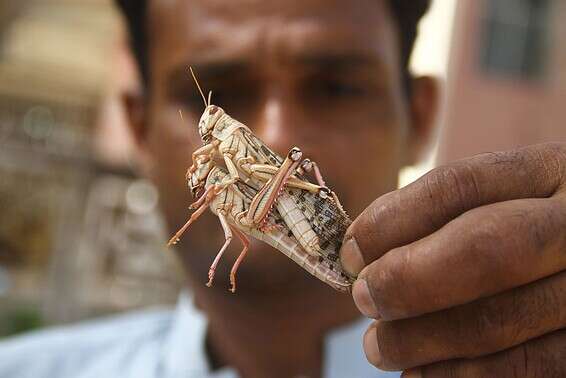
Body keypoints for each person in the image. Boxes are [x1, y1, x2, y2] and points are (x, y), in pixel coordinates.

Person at [1, 0, 566, 377]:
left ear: (420, 117)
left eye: (335, 87)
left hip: (301, 207)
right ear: (139, 128)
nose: (278, 130)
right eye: (223, 86)